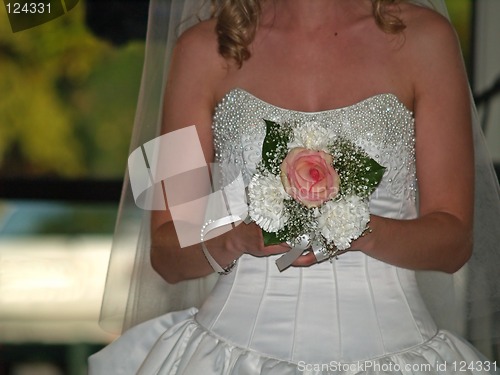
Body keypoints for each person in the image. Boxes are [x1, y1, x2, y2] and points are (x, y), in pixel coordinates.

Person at [89, 0, 500, 373]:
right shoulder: (201, 49)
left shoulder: (425, 40)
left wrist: (359, 229)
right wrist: (236, 241)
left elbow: (454, 241)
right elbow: (166, 251)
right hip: (228, 352)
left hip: (399, 346)